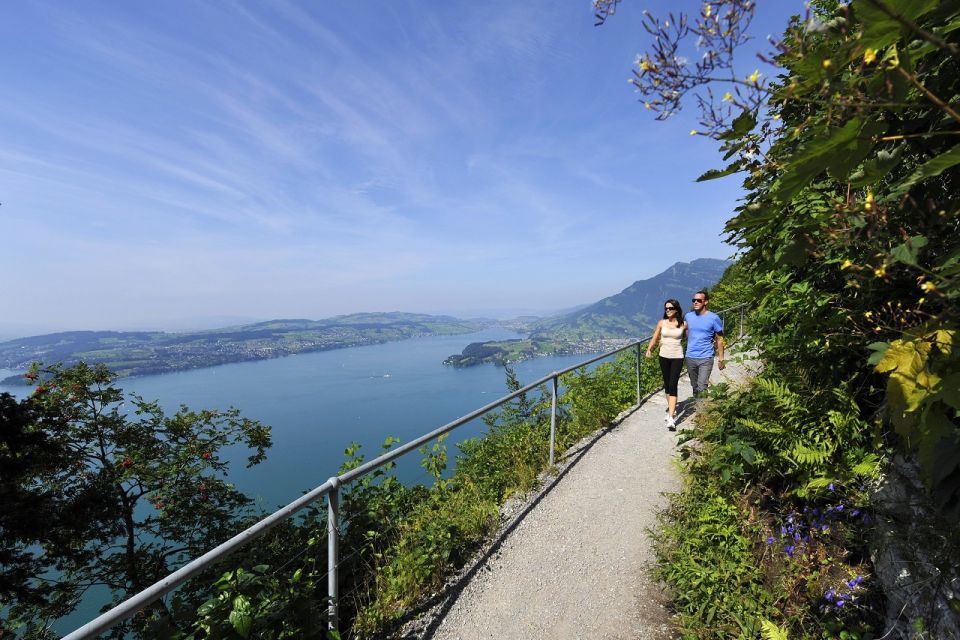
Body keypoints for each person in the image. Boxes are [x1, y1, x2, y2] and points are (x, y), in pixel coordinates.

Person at [645, 299, 685, 430]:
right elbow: (655, 337)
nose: (667, 310)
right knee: (667, 385)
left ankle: (671, 417)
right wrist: (649, 349)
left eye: (670, 308)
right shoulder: (662, 323)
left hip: (677, 357)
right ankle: (672, 409)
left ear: (676, 309)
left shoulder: (684, 324)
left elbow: (691, 337)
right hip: (663, 356)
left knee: (673, 384)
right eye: (666, 308)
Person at [685, 289, 725, 399]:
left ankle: (701, 413)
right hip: (690, 357)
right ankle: (699, 406)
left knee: (702, 387)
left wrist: (721, 359)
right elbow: (687, 332)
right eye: (694, 300)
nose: (695, 302)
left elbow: (720, 338)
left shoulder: (713, 318)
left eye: (698, 300)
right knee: (695, 386)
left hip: (706, 358)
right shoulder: (688, 316)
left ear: (706, 302)